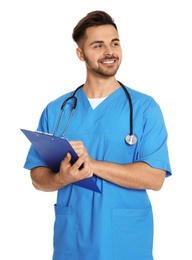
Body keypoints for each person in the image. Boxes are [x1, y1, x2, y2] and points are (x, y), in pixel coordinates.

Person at [23, 10, 172, 260]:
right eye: (98, 45)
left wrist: (93, 165)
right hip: (72, 240)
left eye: (115, 43)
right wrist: (62, 178)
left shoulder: (145, 108)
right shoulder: (58, 110)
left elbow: (155, 178)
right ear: (80, 54)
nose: (109, 52)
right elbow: (38, 177)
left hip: (126, 242)